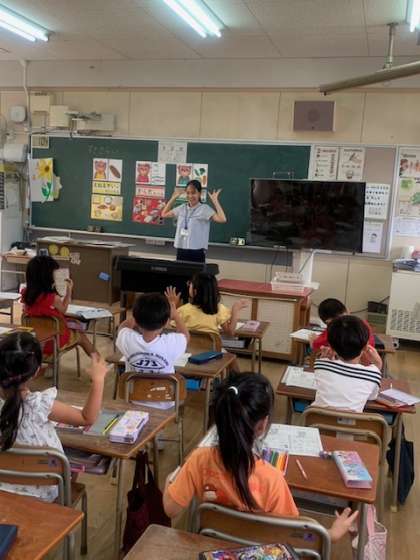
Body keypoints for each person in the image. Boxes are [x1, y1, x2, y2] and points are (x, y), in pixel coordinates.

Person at [163, 372, 358, 542]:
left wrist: (168, 483)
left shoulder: (198, 459)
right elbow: (295, 534)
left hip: (212, 546)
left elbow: (170, 510)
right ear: (263, 425)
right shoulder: (272, 479)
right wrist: (331, 534)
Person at [0, 331, 108, 501]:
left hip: (3, 488)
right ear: (36, 371)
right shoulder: (39, 405)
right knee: (69, 464)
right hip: (44, 493)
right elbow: (87, 418)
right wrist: (98, 380)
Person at [116, 292, 190, 407]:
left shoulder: (128, 340)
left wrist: (137, 316)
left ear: (136, 320)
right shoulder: (170, 343)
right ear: (167, 322)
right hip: (165, 404)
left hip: (133, 402)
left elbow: (122, 327)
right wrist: (176, 316)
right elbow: (185, 336)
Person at [21, 256, 97, 362]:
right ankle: (100, 363)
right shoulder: (53, 298)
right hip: (55, 340)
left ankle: (49, 364)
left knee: (57, 327)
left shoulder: (25, 294)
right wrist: (69, 291)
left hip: (34, 340)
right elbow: (64, 310)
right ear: (48, 276)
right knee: (81, 337)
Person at [312, 315, 383, 413]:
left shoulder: (321, 365)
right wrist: (378, 365)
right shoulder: (373, 374)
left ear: (331, 346)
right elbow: (372, 397)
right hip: (352, 422)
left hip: (315, 420)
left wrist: (323, 359)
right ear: (366, 346)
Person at [161, 180, 227, 263]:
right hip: (181, 249)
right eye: (188, 193)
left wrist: (215, 201)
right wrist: (173, 198)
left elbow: (222, 219)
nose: (190, 196)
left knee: (196, 272)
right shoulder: (182, 208)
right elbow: (164, 214)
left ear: (199, 193)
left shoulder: (204, 209)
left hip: (197, 251)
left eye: (193, 193)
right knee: (180, 271)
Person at [166, 272, 249, 336]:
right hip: (212, 351)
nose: (188, 285)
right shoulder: (218, 309)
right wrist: (235, 309)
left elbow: (168, 329)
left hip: (190, 350)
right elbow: (230, 332)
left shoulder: (183, 310)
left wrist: (172, 306)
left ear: (195, 291)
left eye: (190, 283)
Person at [310, 298, 378, 367]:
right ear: (347, 310)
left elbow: (316, 345)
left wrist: (313, 340)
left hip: (349, 364)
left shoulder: (335, 326)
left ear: (328, 322)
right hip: (366, 363)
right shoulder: (362, 323)